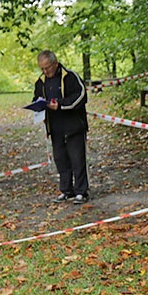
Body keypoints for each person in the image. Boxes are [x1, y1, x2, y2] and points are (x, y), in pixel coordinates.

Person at [33, 50, 89, 204]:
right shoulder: (41, 82)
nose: (45, 72)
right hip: (55, 128)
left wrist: (60, 105)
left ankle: (81, 191)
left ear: (55, 64)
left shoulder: (70, 77)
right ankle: (66, 190)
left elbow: (81, 96)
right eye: (42, 69)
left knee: (77, 159)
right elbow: (37, 98)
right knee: (61, 160)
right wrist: (38, 108)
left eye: (47, 68)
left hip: (74, 126)